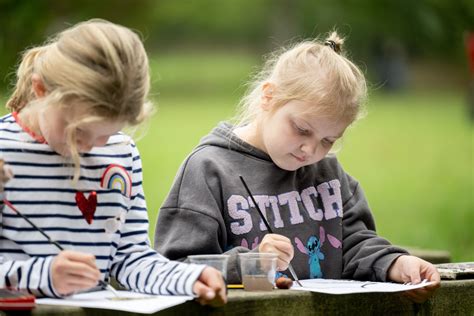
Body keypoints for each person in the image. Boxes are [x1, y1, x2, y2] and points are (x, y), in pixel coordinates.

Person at [154, 32, 440, 302]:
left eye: (328, 140)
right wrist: (250, 264)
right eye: (302, 129)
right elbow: (173, 267)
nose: (311, 150)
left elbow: (354, 245)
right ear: (269, 97)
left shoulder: (328, 175)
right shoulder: (209, 170)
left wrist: (396, 263)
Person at [0, 19, 226, 305]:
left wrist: (187, 278)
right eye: (78, 131)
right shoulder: (4, 152)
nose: (93, 146)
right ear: (41, 90)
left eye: (109, 133)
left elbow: (129, 257)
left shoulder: (120, 152)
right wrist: (44, 276)